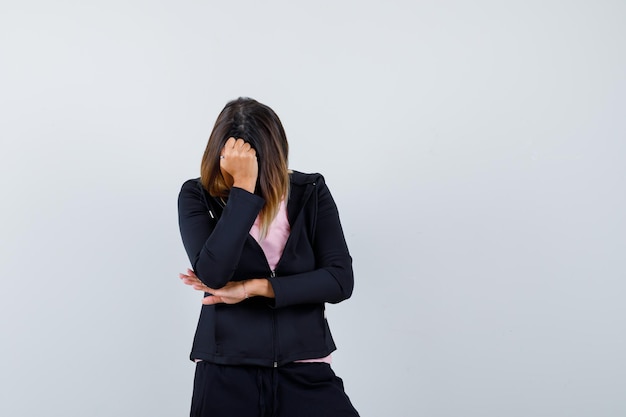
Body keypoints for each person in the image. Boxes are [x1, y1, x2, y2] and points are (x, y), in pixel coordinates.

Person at [177, 97, 360, 417]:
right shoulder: (196, 196)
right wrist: (243, 191)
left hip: (305, 369)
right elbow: (213, 274)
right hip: (226, 373)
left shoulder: (310, 191)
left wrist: (256, 287)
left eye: (256, 167)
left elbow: (339, 280)